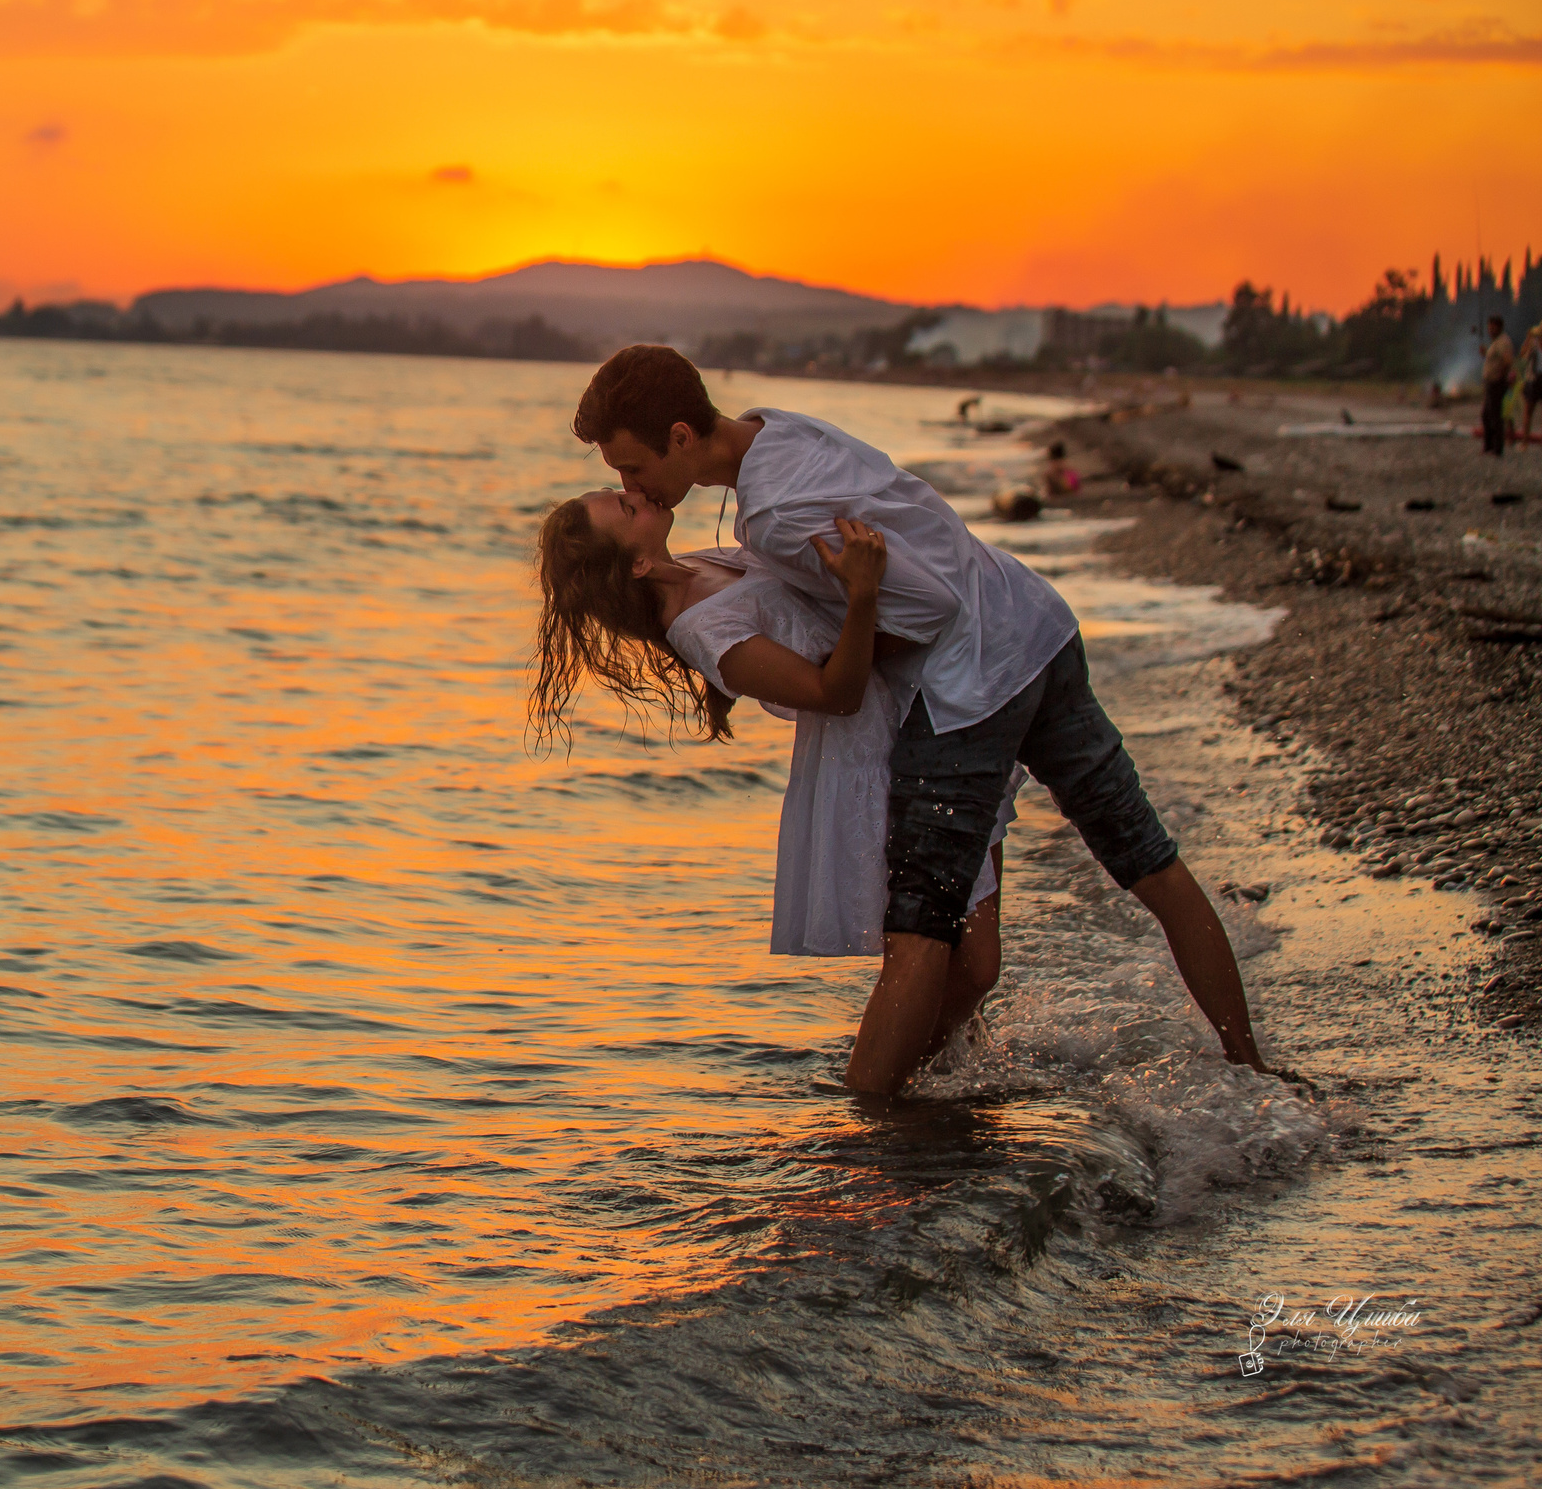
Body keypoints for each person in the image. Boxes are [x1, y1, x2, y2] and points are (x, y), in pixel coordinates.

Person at [570, 344, 1278, 1094]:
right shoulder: (780, 429)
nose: (629, 484)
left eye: (631, 469)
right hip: (1034, 623)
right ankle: (1255, 1073)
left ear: (681, 436)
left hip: (969, 687)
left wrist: (854, 639)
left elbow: (928, 607)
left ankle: (867, 1143)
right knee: (1149, 863)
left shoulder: (774, 515)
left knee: (918, 935)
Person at [530, 491, 1014, 1074]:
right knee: (969, 960)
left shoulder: (701, 564)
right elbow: (834, 695)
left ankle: (954, 1082)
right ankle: (883, 1109)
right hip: (880, 752)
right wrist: (863, 594)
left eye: (623, 491)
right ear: (636, 565)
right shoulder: (699, 627)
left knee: (966, 958)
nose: (637, 496)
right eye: (626, 511)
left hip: (932, 700)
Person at [1481, 316, 1516, 457]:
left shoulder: (1503, 341)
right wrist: (1485, 354)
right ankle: (1489, 447)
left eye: (1493, 327)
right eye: (1489, 327)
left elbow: (1507, 361)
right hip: (1491, 382)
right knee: (1487, 415)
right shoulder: (1496, 342)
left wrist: (1501, 377)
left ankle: (1496, 449)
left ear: (1499, 327)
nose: (1490, 330)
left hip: (1497, 382)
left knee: (1494, 415)